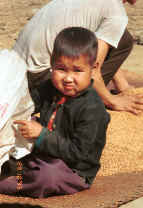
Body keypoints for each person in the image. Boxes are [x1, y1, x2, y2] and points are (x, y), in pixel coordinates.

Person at [0, 27, 110, 198]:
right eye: (61, 69)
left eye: (77, 71)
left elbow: (79, 154)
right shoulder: (50, 87)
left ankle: (12, 184)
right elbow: (28, 104)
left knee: (47, 177)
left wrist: (42, 135)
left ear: (93, 68)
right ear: (51, 63)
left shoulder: (93, 109)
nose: (67, 78)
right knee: (15, 139)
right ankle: (18, 173)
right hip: (42, 154)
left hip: (71, 170)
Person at [12, 0, 143, 115]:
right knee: (123, 38)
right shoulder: (116, 14)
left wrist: (124, 87)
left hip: (16, 69)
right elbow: (93, 70)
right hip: (41, 79)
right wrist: (112, 101)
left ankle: (119, 85)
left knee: (122, 37)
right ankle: (73, 101)